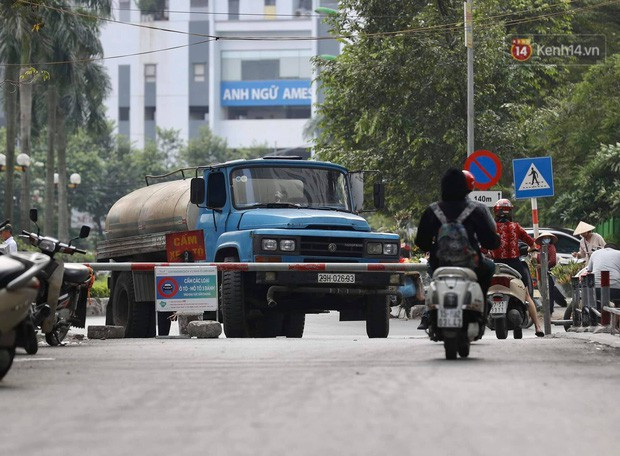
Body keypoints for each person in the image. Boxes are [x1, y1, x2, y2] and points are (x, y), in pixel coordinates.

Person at [414, 168, 500, 330]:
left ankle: (430, 313)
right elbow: (490, 241)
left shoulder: (432, 210)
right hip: (471, 264)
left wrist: (433, 247)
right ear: (468, 187)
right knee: (490, 267)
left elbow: (421, 242)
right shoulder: (476, 210)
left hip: (439, 264)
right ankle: (481, 307)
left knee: (432, 276)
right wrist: (495, 241)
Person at [488, 199, 545, 337]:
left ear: (496, 212)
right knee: (526, 295)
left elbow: (484, 248)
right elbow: (532, 244)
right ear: (510, 212)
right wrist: (531, 251)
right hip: (514, 266)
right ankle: (538, 327)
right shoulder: (516, 227)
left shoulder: (492, 228)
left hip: (496, 266)